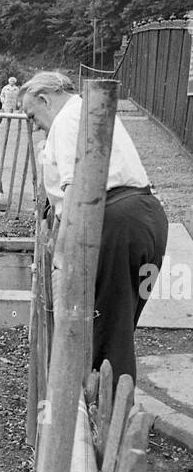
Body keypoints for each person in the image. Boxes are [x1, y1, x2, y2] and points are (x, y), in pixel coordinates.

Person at [19, 70, 168, 384]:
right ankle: (111, 408)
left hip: (116, 224)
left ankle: (102, 411)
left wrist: (63, 254)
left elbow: (78, 189)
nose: (35, 125)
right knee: (121, 323)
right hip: (149, 219)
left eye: (32, 115)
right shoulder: (89, 111)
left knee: (106, 327)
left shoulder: (67, 120)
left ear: (44, 99)